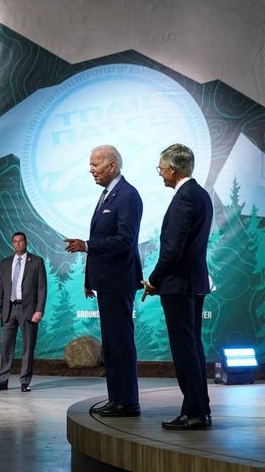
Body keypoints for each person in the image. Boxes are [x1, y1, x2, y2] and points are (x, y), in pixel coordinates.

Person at [64, 145, 143, 417]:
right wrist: (89, 278)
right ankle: (117, 398)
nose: (91, 169)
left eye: (95, 164)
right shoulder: (107, 195)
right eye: (90, 164)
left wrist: (86, 245)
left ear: (112, 166)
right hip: (106, 282)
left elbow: (124, 241)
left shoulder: (128, 196)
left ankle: (128, 402)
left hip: (119, 281)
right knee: (111, 345)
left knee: (120, 343)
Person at [142, 144, 213, 430]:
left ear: (172, 169)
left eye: (160, 168)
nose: (159, 173)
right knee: (193, 347)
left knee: (185, 350)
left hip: (179, 286)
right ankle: (200, 408)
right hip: (192, 283)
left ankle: (194, 412)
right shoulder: (200, 195)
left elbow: (172, 251)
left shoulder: (184, 199)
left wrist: (154, 280)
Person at [0, 232, 47, 393]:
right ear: (12, 244)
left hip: (28, 310)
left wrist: (39, 310)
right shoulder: (5, 263)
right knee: (5, 347)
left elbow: (42, 288)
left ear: (26, 243)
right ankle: (2, 381)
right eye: (15, 241)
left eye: (21, 241)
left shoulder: (36, 261)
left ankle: (25, 382)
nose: (18, 243)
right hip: (8, 309)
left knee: (28, 347)